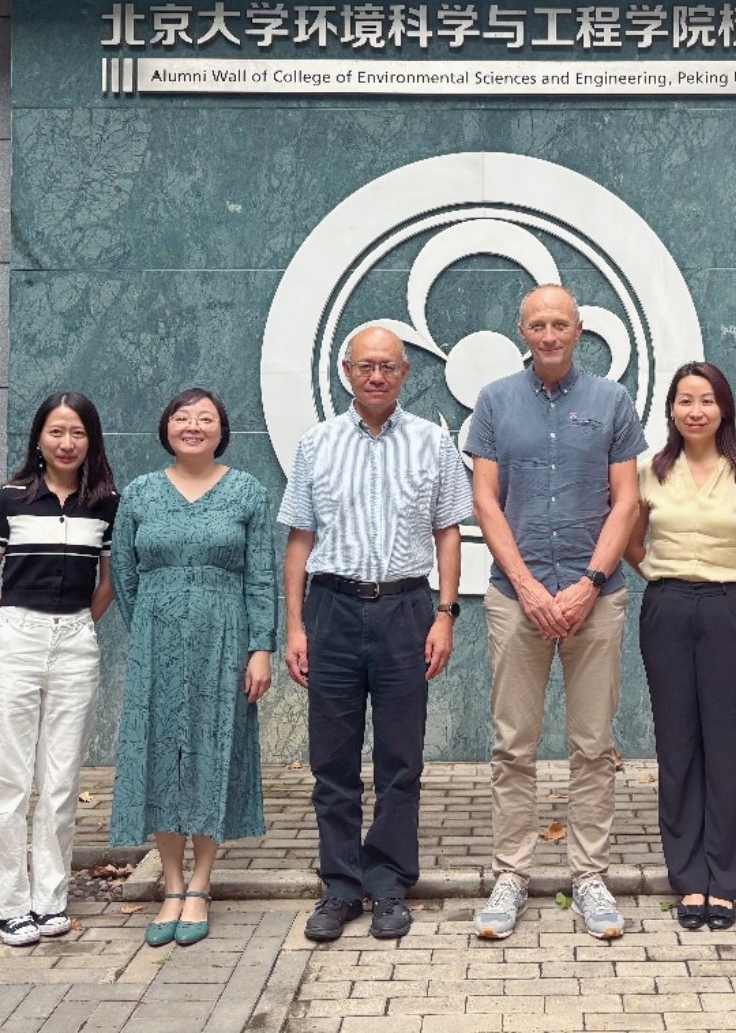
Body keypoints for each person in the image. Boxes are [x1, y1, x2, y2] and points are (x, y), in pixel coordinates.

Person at [466, 284, 647, 941]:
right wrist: (531, 588)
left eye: (560, 324)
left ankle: (589, 876)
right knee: (512, 747)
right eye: (538, 324)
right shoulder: (493, 402)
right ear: (523, 330)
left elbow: (625, 501)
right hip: (516, 602)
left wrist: (588, 583)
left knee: (593, 747)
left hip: (595, 600)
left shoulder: (612, 402)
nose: (549, 335)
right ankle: (511, 874)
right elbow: (486, 500)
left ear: (579, 331)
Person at [280, 327, 472, 944]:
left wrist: (445, 613)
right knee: (331, 762)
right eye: (366, 366)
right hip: (332, 609)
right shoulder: (317, 444)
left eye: (388, 366)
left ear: (406, 372)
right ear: (346, 371)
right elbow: (300, 539)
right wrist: (294, 626)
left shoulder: (432, 442)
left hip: (405, 610)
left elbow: (448, 530)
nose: (377, 376)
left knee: (399, 758)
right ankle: (340, 886)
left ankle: (388, 884)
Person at [109, 388, 278, 948]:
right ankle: (172, 883)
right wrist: (155, 626)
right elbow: (125, 577)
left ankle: (202, 883)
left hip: (225, 641)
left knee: (212, 750)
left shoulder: (246, 491)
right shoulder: (139, 493)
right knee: (160, 753)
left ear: (221, 430)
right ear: (166, 427)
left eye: (205, 419)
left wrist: (260, 647)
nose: (193, 426)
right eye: (182, 417)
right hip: (156, 642)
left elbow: (261, 577)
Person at [625, 363, 736, 932]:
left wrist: (730, 594)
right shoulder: (649, 471)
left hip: (730, 611)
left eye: (707, 400)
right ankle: (689, 879)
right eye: (686, 400)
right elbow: (631, 543)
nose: (696, 410)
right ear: (671, 409)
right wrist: (668, 584)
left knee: (727, 742)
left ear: (724, 409)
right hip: (666, 609)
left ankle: (727, 879)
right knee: (677, 743)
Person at [0, 392, 118, 947]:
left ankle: (50, 898)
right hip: (15, 636)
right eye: (57, 431)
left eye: (77, 432)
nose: (66, 442)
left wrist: (80, 623)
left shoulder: (105, 503)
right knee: (8, 779)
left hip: (76, 641)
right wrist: (4, 636)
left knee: (60, 781)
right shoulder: (7, 501)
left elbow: (107, 582)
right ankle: (6, 902)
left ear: (91, 441)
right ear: (39, 437)